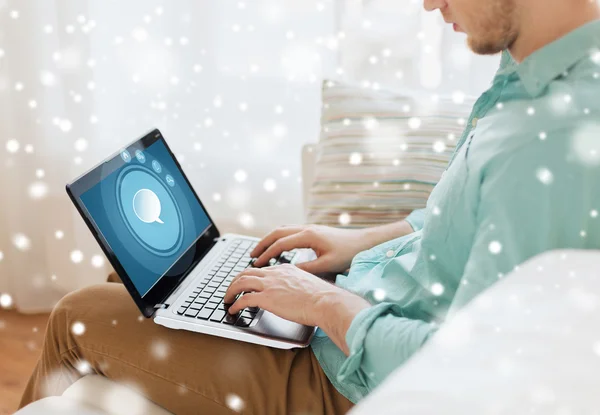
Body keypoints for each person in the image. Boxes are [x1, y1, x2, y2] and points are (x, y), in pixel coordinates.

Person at [21, 0, 600, 413]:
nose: (428, 4)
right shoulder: (531, 76)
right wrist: (358, 244)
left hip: (348, 379)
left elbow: (477, 371)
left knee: (78, 315)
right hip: (359, 312)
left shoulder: (550, 141)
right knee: (152, 287)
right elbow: (461, 227)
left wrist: (326, 305)